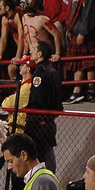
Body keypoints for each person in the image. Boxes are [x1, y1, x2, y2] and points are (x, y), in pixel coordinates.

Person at [25, 40, 64, 171]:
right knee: (48, 152)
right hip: (49, 121)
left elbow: (37, 100)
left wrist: (30, 120)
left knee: (41, 156)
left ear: (40, 54)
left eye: (34, 49)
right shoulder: (53, 71)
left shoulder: (40, 73)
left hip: (39, 122)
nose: (31, 51)